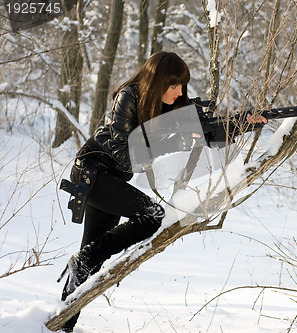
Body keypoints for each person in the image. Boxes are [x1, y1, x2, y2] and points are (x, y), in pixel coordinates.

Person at [59, 51, 266, 332]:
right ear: (157, 83)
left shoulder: (169, 106)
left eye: (182, 85)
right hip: (93, 173)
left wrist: (242, 125)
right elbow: (124, 156)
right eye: (173, 86)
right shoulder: (128, 98)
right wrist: (175, 138)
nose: (179, 92)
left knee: (90, 263)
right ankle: (80, 268)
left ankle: (62, 324)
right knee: (152, 216)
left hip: (111, 180)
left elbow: (208, 133)